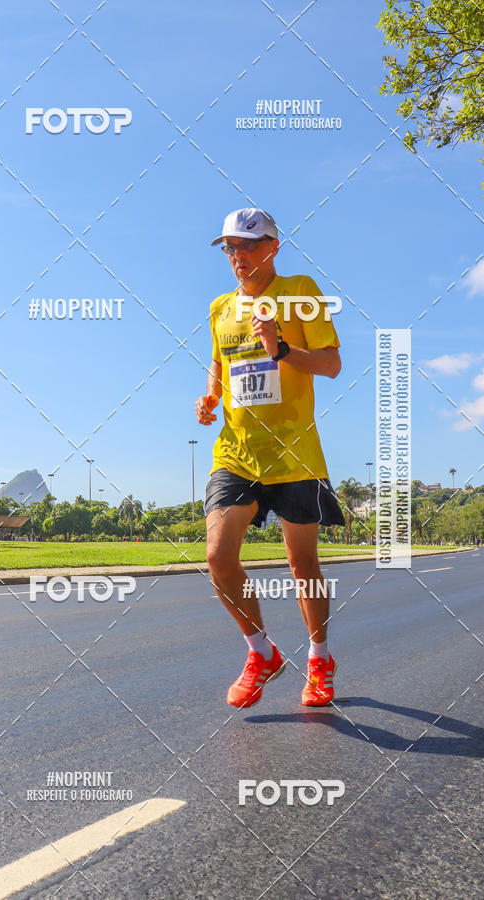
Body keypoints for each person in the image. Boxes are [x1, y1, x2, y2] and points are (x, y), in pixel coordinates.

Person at [195, 208, 345, 709]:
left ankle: (320, 660)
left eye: (249, 246)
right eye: (230, 249)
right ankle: (261, 652)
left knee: (302, 564)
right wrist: (211, 397)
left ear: (273, 247)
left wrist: (282, 351)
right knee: (218, 556)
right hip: (237, 452)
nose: (238, 257)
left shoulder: (301, 292)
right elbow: (221, 363)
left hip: (295, 452)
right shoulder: (220, 308)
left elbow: (330, 364)